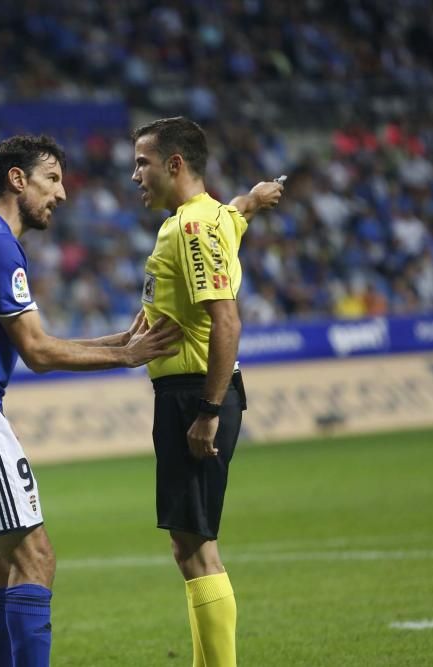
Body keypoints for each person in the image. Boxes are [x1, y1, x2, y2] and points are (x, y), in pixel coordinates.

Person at [0, 134, 184, 667]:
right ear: (18, 179)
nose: (62, 194)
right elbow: (37, 352)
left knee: (9, 566)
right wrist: (127, 358)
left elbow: (33, 339)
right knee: (37, 559)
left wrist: (117, 343)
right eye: (52, 179)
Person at [131, 116, 285, 666]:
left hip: (194, 394)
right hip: (193, 391)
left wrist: (207, 411)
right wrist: (257, 196)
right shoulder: (214, 215)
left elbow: (227, 322)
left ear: (175, 165)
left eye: (143, 163)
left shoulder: (191, 228)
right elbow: (237, 211)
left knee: (197, 551)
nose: (134, 175)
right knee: (189, 545)